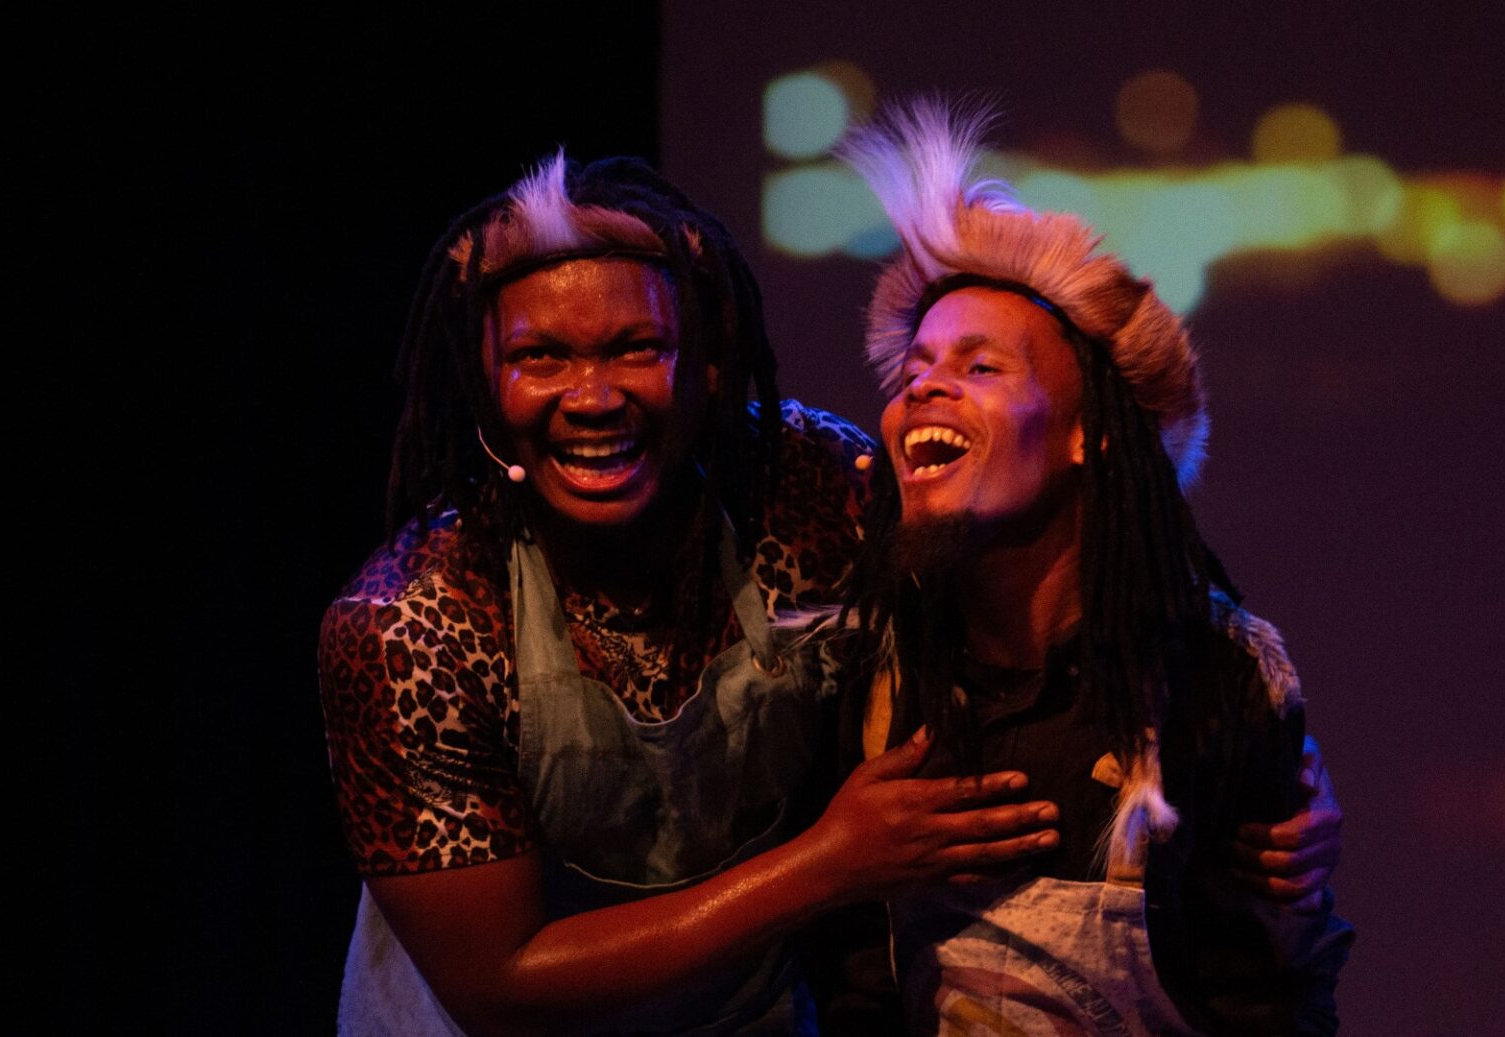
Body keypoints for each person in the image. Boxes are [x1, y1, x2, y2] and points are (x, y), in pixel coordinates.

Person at [318, 149, 1342, 1035]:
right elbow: (501, 985)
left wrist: (1254, 776)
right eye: (540, 356)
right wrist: (830, 861)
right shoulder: (411, 623)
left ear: (709, 366)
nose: (592, 395)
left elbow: (1076, 553)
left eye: (637, 347)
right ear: (485, 382)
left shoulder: (815, 494)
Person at [827, 101, 1354, 1034]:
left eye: (980, 366)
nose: (924, 386)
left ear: (1089, 434)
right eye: (913, 368)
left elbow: (1270, 997)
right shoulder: (868, 673)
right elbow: (852, 987)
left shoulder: (1212, 681)